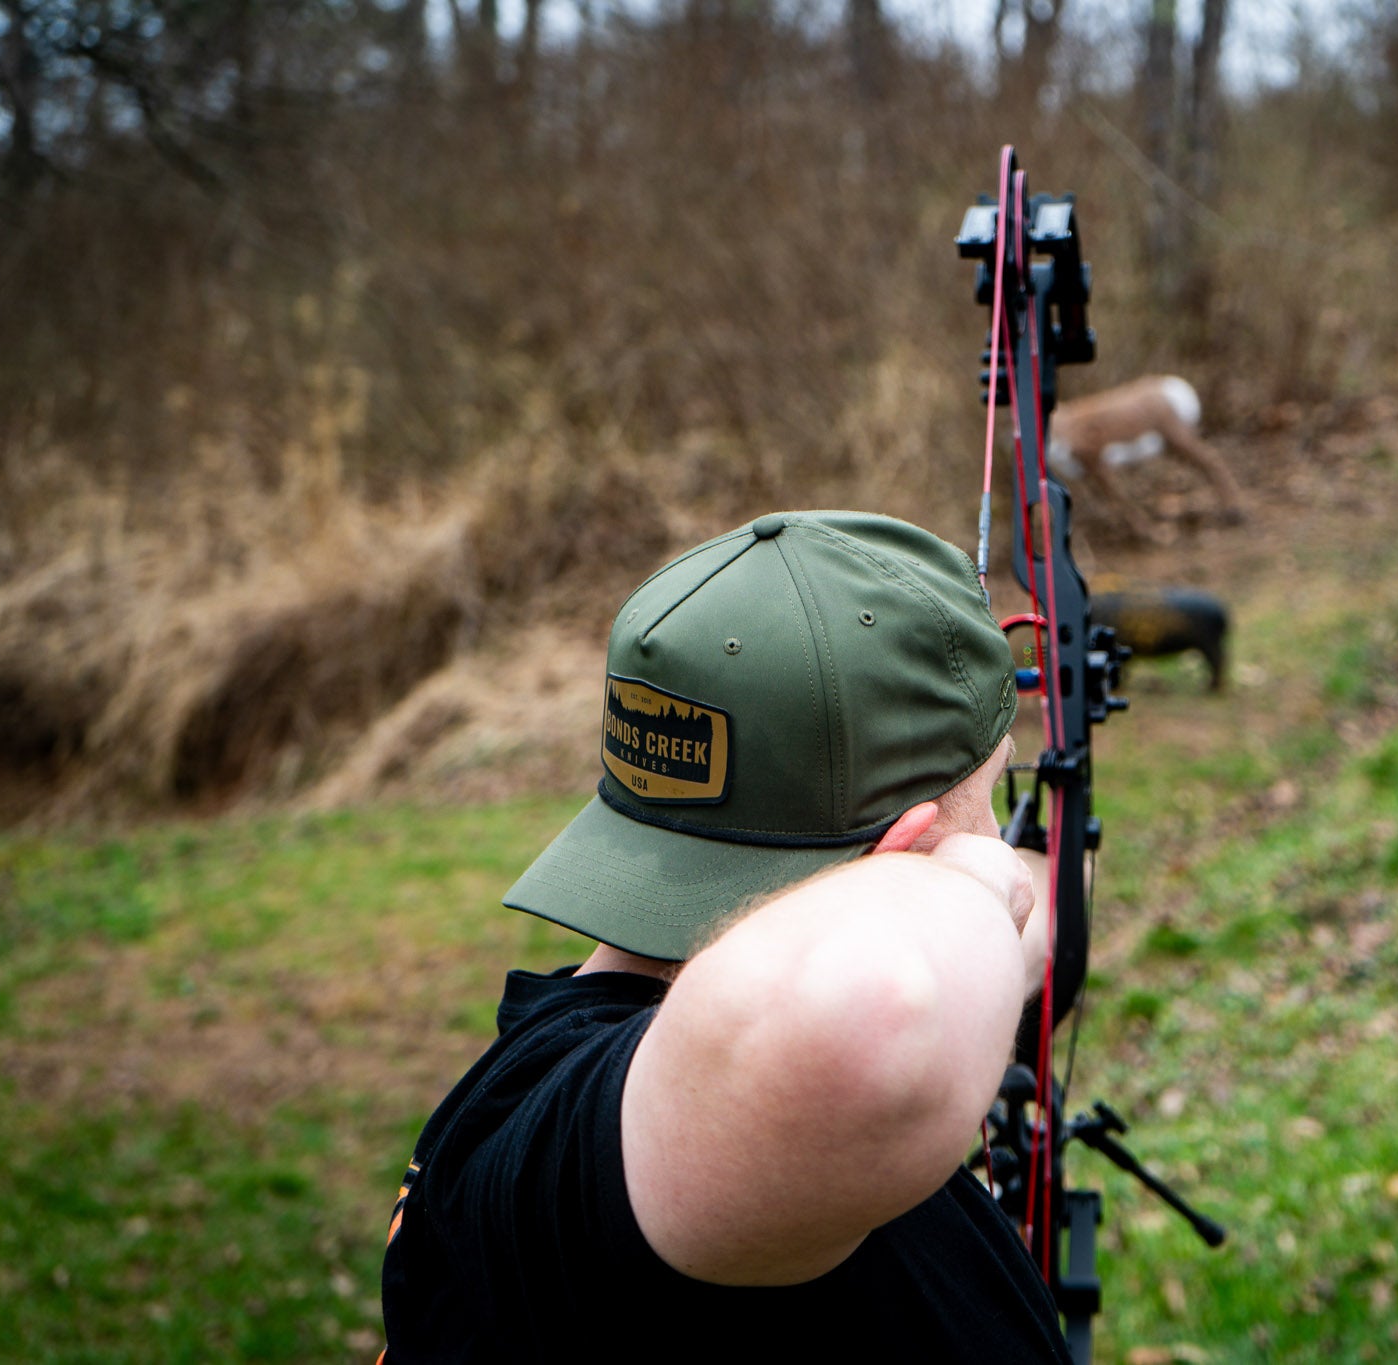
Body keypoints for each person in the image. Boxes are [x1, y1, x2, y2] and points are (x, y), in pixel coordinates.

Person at [378, 511, 1073, 1361]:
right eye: (990, 794)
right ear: (905, 847)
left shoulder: (562, 1083)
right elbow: (871, 1011)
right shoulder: (587, 1165)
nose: (995, 842)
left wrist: (1026, 903)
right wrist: (971, 881)